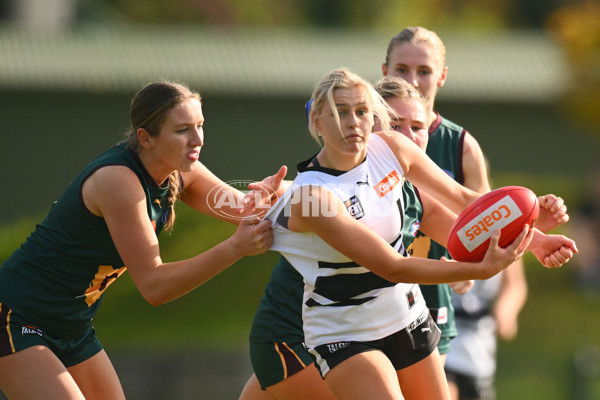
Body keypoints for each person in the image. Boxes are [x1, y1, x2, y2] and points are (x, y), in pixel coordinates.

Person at [239, 74, 573, 400]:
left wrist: (534, 231)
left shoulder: (393, 152)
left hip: (407, 317)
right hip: (343, 333)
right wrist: (479, 270)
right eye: (341, 112)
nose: (354, 122)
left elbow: (465, 203)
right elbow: (393, 266)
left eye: (362, 111)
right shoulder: (312, 196)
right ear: (316, 119)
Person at [0, 80, 287, 400]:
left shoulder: (179, 169)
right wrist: (235, 248)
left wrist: (301, 190)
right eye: (182, 130)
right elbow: (154, 286)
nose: (197, 140)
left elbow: (246, 210)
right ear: (145, 138)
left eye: (200, 126)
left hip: (71, 326)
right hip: (18, 317)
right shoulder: (119, 181)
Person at [381, 26, 549, 365]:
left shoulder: (460, 146)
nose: (413, 81)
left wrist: (536, 227)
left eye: (424, 71)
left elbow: (491, 226)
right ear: (385, 71)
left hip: (432, 294)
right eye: (402, 70)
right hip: (369, 293)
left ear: (441, 76)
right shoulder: (363, 138)